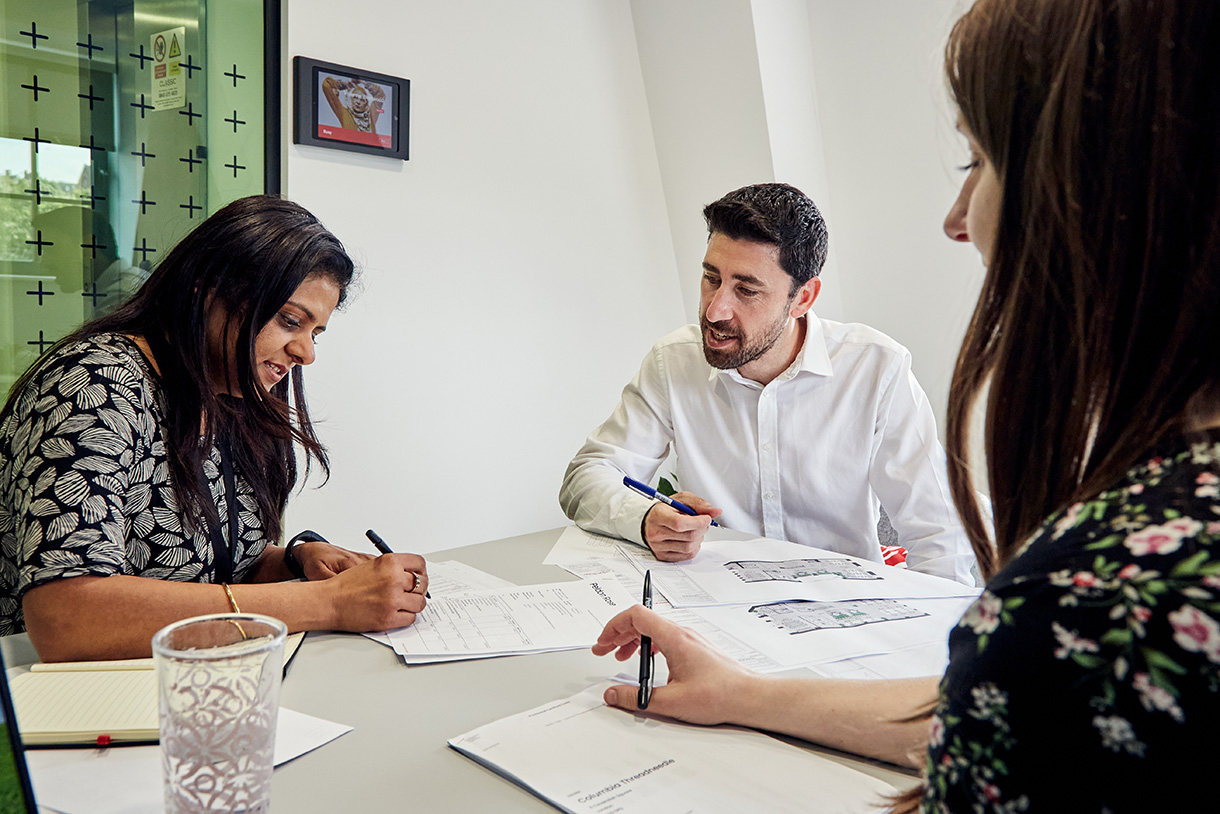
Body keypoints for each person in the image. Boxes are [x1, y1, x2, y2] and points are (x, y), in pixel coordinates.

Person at [593, 0, 1220, 809]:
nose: (956, 221)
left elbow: (952, 582)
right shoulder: (1131, 561)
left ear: (1104, 187)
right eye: (712, 277)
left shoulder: (1100, 595)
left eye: (976, 160)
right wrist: (740, 693)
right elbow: (1008, 718)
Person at [0, 195, 428, 662]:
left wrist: (292, 562)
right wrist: (327, 603)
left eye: (315, 333)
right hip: (53, 702)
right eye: (290, 321)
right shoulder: (96, 383)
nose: (305, 353)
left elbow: (204, 568)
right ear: (209, 290)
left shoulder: (229, 393)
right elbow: (67, 618)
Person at [560, 182, 976, 585]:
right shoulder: (673, 362)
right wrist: (645, 517)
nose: (716, 309)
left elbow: (939, 532)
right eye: (711, 278)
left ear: (803, 298)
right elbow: (587, 475)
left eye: (746, 290)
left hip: (846, 608)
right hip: (721, 605)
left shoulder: (876, 368)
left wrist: (936, 639)